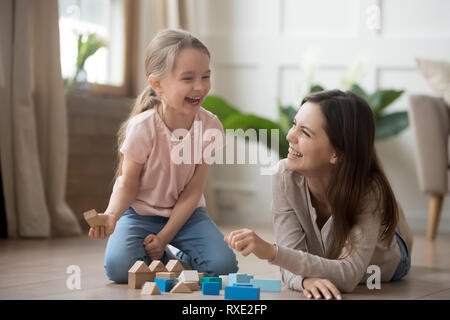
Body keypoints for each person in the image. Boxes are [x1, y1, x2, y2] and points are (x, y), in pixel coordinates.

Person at [225, 90, 413, 299]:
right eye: (294, 124)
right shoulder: (284, 176)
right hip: (328, 257)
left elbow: (349, 274)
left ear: (337, 153)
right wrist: (305, 280)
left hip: (384, 260)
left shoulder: (368, 190)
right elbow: (290, 260)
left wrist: (271, 251)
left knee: (383, 219)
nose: (290, 135)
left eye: (305, 132)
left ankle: (394, 221)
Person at [88, 29, 238, 283]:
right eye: (188, 78)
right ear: (157, 84)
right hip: (139, 215)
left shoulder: (210, 127)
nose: (200, 86)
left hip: (188, 214)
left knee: (223, 265)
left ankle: (171, 255)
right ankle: (166, 258)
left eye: (206, 76)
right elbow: (127, 183)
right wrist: (112, 215)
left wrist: (165, 236)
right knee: (118, 268)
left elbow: (193, 191)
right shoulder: (143, 127)